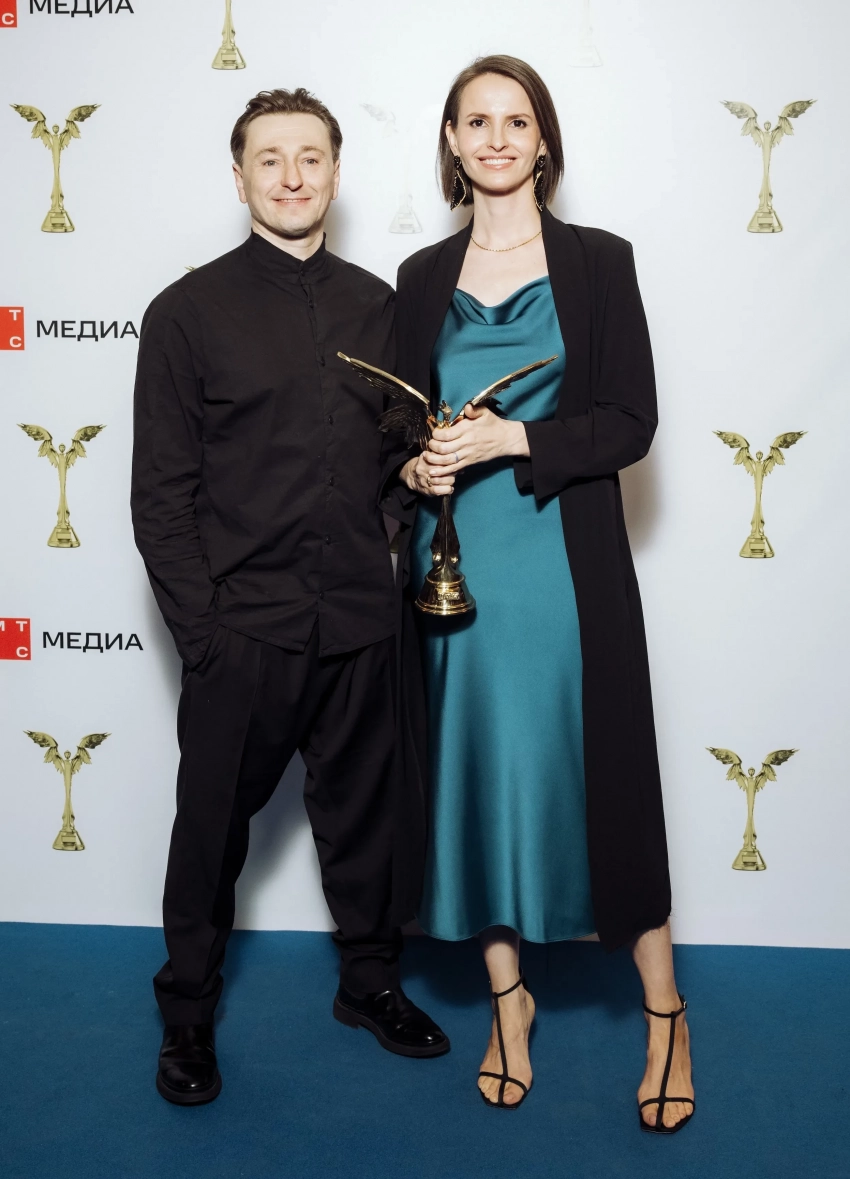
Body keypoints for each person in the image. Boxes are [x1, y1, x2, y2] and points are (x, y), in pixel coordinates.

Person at [387, 56, 694, 1131]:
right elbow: (399, 422)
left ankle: (665, 1014)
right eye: (475, 121)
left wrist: (513, 439)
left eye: (515, 120)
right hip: (457, 569)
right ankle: (507, 1003)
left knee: (603, 780)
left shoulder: (600, 262)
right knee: (476, 779)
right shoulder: (420, 274)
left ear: (543, 139)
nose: (496, 138)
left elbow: (630, 421)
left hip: (563, 567)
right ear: (452, 141)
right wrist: (418, 463)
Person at [131, 87, 448, 1107]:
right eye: (269, 159)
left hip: (359, 620)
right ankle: (187, 1017)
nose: (292, 176)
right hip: (244, 631)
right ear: (239, 179)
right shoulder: (185, 313)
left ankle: (369, 983)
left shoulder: (380, 307)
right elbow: (160, 495)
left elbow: (398, 454)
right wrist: (205, 633)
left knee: (366, 823)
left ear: (336, 173)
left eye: (310, 157)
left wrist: (391, 527)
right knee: (209, 834)